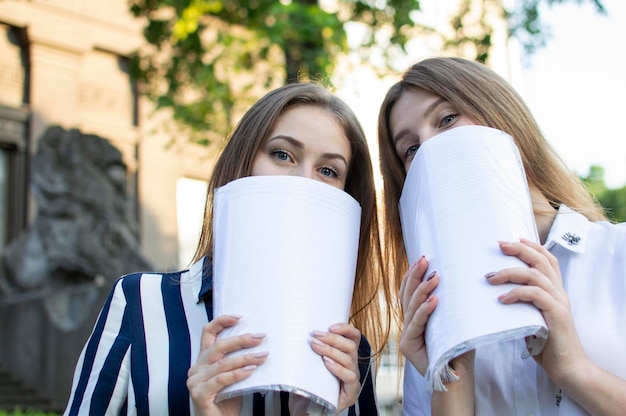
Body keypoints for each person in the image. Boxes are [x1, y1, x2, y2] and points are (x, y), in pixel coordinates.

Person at [64, 82, 391, 416]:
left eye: (328, 170)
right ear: (242, 161)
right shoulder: (141, 301)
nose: (302, 181)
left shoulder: (346, 351)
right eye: (281, 154)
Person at [376, 56, 626, 415]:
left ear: (501, 114)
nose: (429, 148)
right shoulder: (430, 320)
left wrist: (574, 370)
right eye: (410, 148)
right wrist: (452, 378)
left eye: (447, 119)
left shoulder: (617, 255)